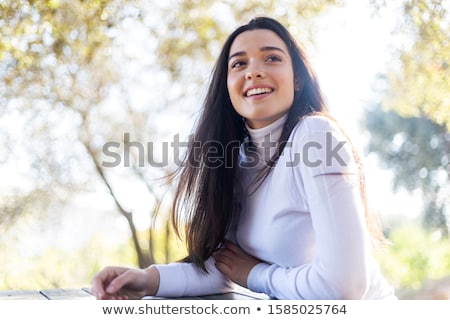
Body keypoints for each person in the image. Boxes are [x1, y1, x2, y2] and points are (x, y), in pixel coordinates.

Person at [92, 16, 396, 300]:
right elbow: (226, 265)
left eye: (272, 58)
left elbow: (345, 288)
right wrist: (147, 280)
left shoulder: (315, 135)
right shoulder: (233, 160)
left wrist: (255, 274)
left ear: (298, 80)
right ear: (228, 86)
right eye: (239, 64)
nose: (253, 71)